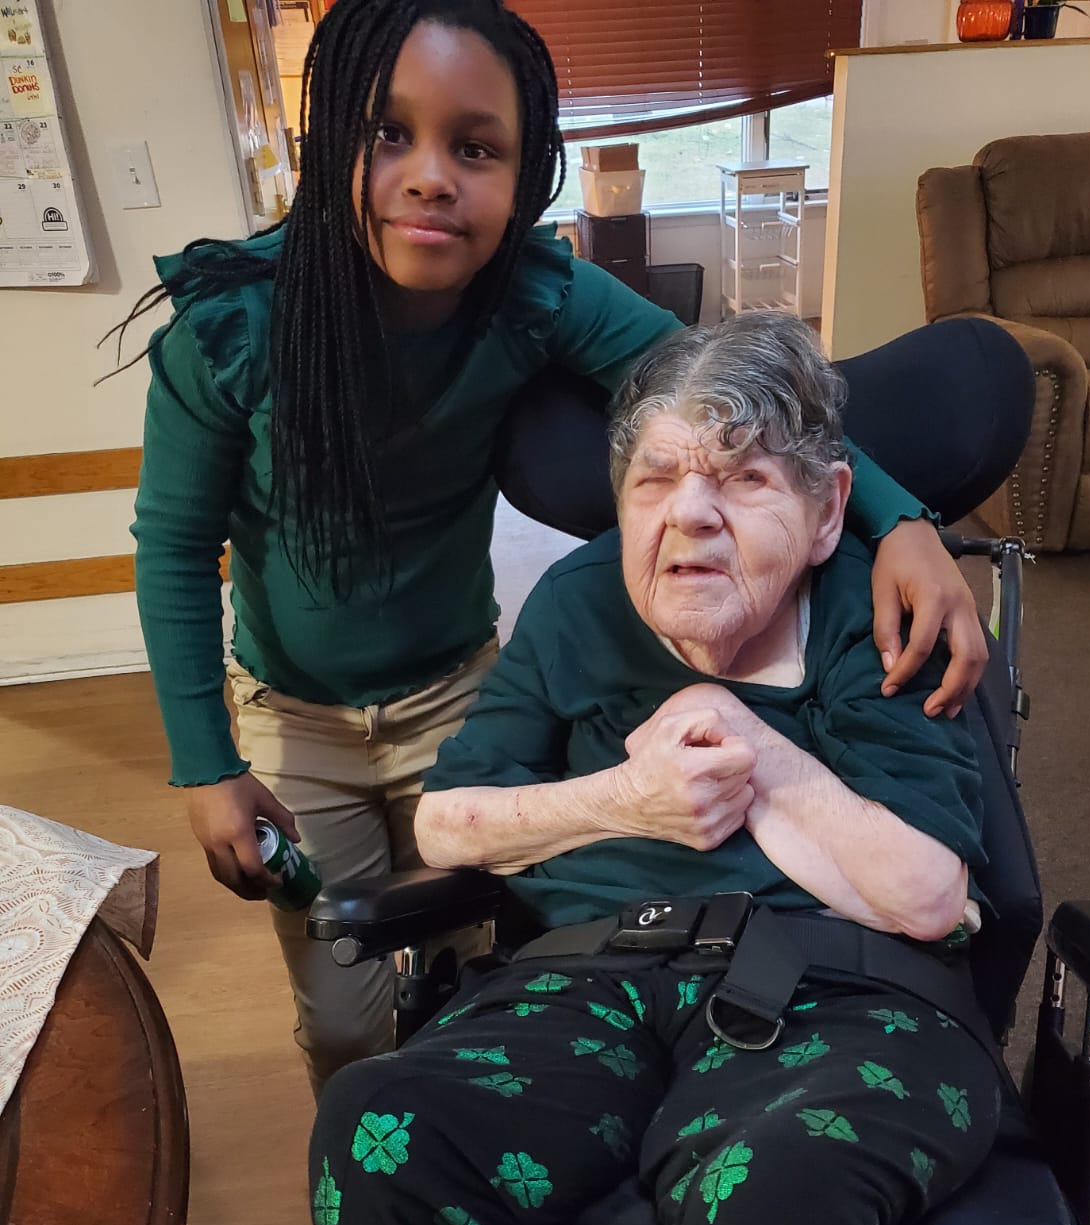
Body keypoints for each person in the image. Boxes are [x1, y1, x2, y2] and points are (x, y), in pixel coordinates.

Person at [127, 0, 987, 1097]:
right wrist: (206, 763)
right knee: (342, 1015)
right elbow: (173, 548)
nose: (431, 178)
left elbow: (732, 397)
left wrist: (902, 519)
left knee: (462, 971)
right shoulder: (231, 329)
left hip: (455, 691)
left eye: (475, 148)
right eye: (388, 133)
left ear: (526, 170)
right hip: (296, 717)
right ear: (328, 135)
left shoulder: (532, 295)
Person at [309, 312, 1005, 1225]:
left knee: (776, 1182)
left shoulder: (880, 608)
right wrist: (621, 801)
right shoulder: (579, 601)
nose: (690, 514)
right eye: (655, 478)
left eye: (742, 477)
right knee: (378, 1125)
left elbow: (927, 895)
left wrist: (754, 747)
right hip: (587, 975)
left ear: (827, 506)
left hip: (843, 998)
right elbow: (448, 821)